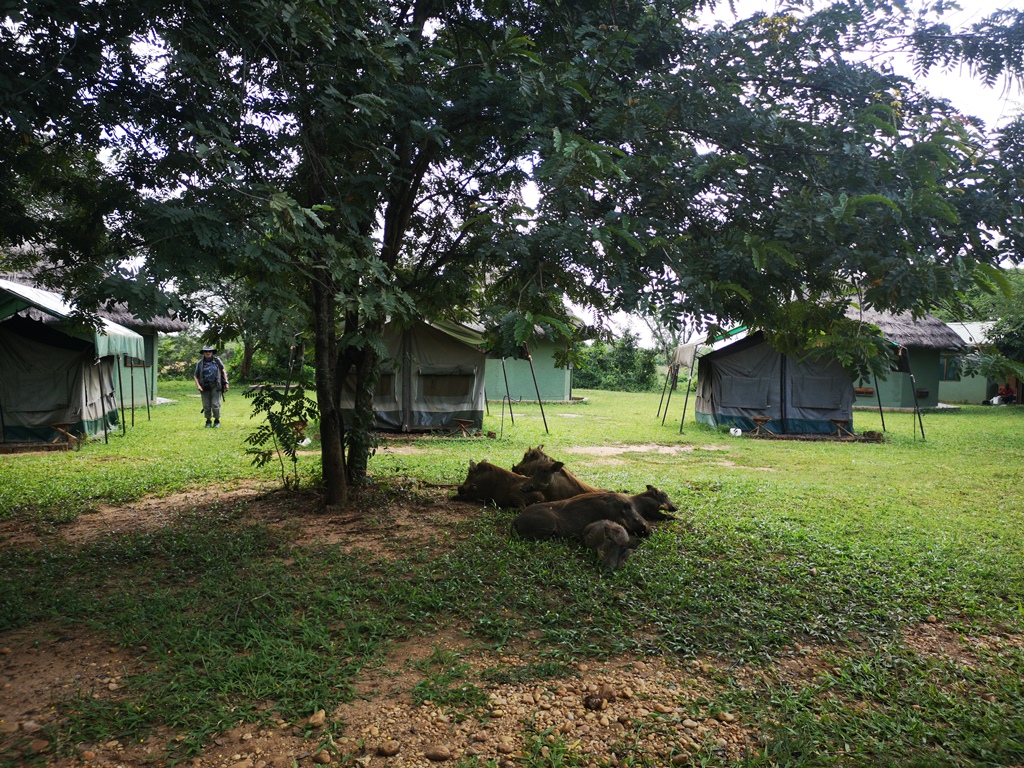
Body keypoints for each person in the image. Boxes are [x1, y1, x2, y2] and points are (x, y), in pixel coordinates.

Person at [193, 345, 229, 427]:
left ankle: (217, 420)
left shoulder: (217, 361)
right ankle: (208, 421)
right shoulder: (200, 363)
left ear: (212, 352)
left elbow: (223, 371)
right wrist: (198, 385)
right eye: (206, 351)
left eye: (209, 351)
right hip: (204, 386)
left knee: (215, 404)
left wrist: (226, 383)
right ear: (203, 353)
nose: (208, 353)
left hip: (216, 385)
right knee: (206, 405)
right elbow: (195, 375)